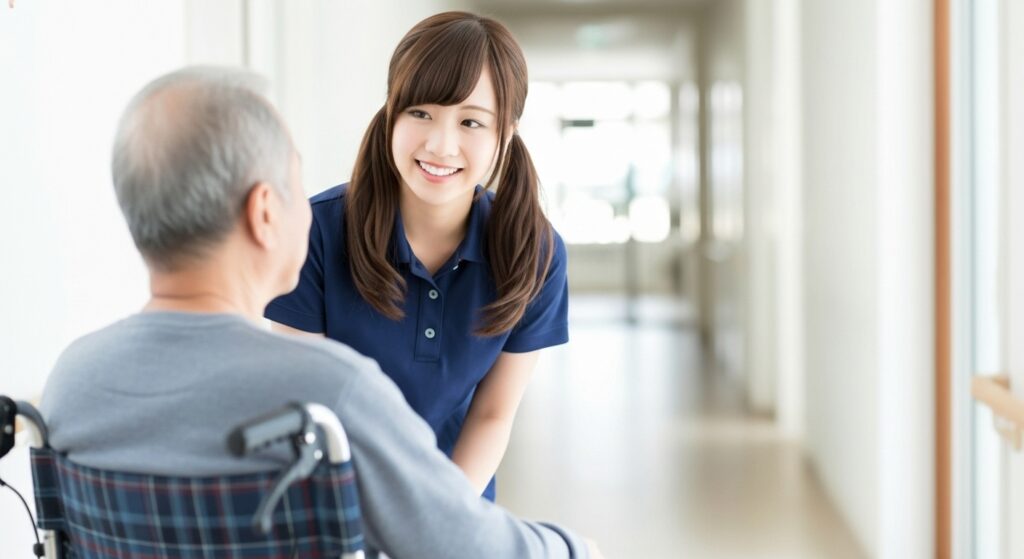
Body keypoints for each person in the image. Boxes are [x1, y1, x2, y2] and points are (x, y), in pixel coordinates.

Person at [39, 66, 602, 558]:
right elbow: (459, 542)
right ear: (265, 213)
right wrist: (577, 548)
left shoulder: (71, 383)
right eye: (294, 182)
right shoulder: (331, 396)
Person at [267, 11, 567, 503]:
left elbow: (493, 414)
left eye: (471, 121)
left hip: (457, 500)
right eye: (420, 113)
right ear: (391, 112)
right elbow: (309, 401)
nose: (440, 145)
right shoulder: (314, 232)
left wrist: (439, 521)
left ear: (505, 135)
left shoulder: (534, 251)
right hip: (331, 500)